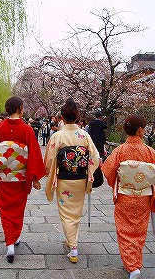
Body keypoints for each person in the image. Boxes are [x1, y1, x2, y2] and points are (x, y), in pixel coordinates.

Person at [0, 96, 46, 263]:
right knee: (18, 209)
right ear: (20, 108)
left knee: (5, 208)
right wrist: (34, 177)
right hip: (20, 177)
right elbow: (33, 154)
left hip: (5, 177)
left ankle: (10, 242)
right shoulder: (27, 130)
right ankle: (14, 238)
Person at [44, 98, 100, 263]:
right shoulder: (84, 135)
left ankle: (73, 247)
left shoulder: (57, 136)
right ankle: (71, 241)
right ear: (77, 117)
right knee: (75, 212)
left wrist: (48, 171)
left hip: (64, 180)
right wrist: (89, 171)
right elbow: (95, 156)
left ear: (62, 117)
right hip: (80, 179)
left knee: (66, 213)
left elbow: (49, 159)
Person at [101, 114, 155, 279]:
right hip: (144, 198)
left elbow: (108, 172)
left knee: (125, 231)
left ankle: (132, 266)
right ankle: (135, 262)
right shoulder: (150, 152)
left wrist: (118, 183)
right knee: (139, 231)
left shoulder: (119, 151)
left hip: (125, 197)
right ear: (140, 130)